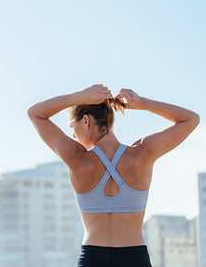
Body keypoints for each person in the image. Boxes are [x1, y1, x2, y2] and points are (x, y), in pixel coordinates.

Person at [27, 84, 200, 267]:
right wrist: (143, 103)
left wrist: (79, 97)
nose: (74, 135)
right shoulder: (142, 153)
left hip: (93, 258)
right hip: (135, 258)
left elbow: (35, 113)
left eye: (73, 125)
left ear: (86, 121)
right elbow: (190, 119)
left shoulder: (77, 158)